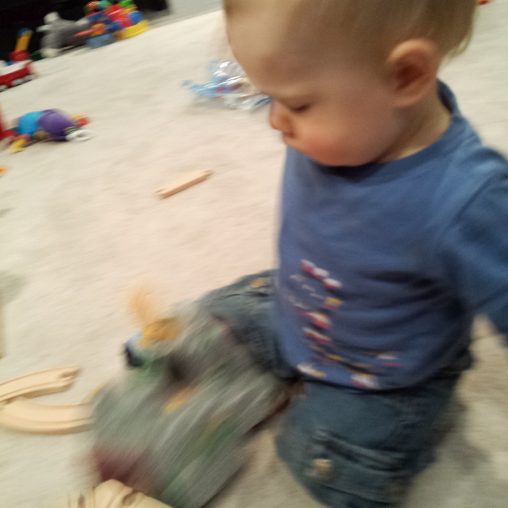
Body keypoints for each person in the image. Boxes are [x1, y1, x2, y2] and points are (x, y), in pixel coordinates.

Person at [199, 1, 508, 506]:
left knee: (326, 466)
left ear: (405, 76)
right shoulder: (354, 124)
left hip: (384, 376)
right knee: (212, 320)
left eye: (297, 104)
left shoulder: (467, 198)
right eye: (268, 98)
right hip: (305, 299)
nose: (276, 121)